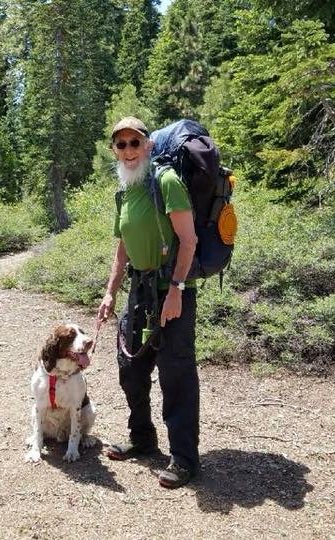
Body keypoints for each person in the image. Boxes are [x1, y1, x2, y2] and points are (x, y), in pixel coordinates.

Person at [95, 116, 200, 489]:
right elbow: (122, 249)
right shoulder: (124, 191)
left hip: (171, 289)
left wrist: (176, 289)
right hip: (139, 290)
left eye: (134, 143)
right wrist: (110, 292)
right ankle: (142, 438)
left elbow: (189, 241)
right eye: (121, 145)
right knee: (130, 368)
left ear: (148, 145)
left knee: (176, 373)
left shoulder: (166, 182)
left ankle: (184, 459)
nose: (128, 151)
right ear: (114, 151)